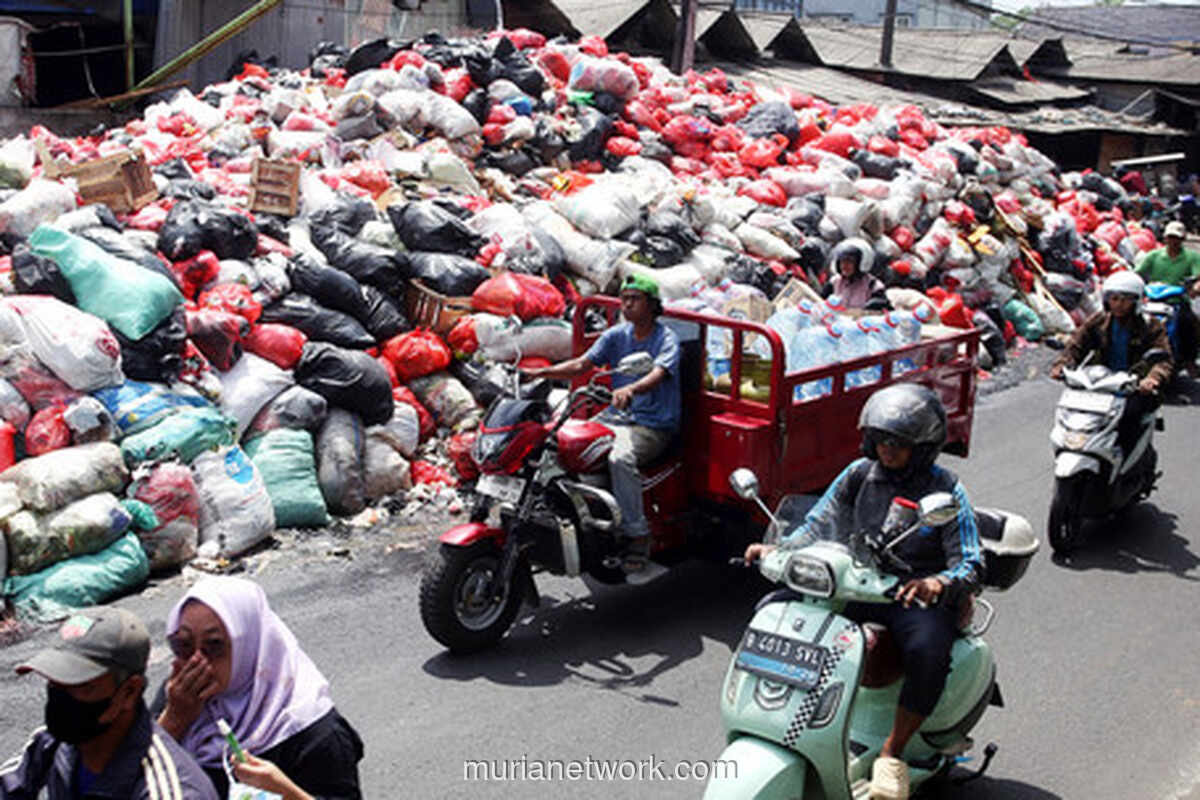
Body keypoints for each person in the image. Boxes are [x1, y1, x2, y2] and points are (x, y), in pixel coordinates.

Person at [743, 384, 982, 800]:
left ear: (922, 447)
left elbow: (970, 561)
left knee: (927, 649)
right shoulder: (858, 474)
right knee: (774, 610)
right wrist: (778, 548)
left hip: (911, 595)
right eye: (880, 439)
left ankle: (893, 752)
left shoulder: (945, 489)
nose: (886, 449)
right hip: (856, 583)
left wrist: (937, 582)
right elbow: (818, 523)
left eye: (898, 442)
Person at [523, 273, 681, 571]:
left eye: (635, 299)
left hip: (651, 425)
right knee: (559, 442)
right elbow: (582, 364)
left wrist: (630, 389)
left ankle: (637, 535)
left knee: (620, 458)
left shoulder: (666, 339)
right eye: (625, 299)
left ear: (652, 305)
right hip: (613, 417)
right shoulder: (616, 334)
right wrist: (542, 373)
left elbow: (657, 373)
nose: (627, 305)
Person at [155, 577, 364, 800]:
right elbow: (129, 776)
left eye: (214, 645)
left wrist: (285, 793)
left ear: (250, 648)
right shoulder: (180, 696)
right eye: (184, 645)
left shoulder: (313, 732)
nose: (197, 661)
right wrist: (174, 721)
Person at [2, 607, 218, 800]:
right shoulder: (53, 743)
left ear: (128, 692)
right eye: (54, 683)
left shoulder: (169, 790)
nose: (61, 698)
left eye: (79, 685)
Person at [1050, 270, 1172, 453]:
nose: (1119, 305)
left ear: (1136, 301)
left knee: (1128, 421)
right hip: (1099, 384)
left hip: (1134, 387)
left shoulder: (1150, 325)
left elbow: (1164, 359)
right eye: (1114, 298)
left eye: (1125, 299)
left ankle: (1127, 464)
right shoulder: (1099, 321)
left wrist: (1152, 378)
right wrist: (1062, 365)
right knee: (1075, 416)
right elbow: (1076, 344)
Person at [1135, 220, 1200, 370]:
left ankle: (1189, 359)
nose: (1173, 241)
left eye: (1177, 238)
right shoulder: (1154, 255)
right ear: (1165, 238)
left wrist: (1195, 288)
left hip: (1177, 300)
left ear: (1182, 239)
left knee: (1189, 322)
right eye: (1170, 237)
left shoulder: (1192, 257)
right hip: (1152, 299)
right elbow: (1138, 272)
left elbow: (1198, 276)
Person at [821, 238, 888, 310]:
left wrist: (873, 305)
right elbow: (820, 301)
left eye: (850, 261)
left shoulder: (873, 285)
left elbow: (884, 309)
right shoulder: (835, 282)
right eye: (842, 261)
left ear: (862, 262)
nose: (844, 265)